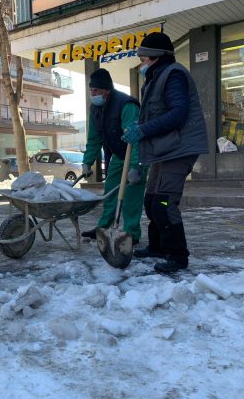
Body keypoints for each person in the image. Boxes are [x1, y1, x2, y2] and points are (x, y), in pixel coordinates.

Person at [122, 32, 208, 274]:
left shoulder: (174, 74)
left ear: (157, 56)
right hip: (165, 149)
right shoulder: (156, 77)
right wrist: (137, 128)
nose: (142, 62)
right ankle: (158, 246)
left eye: (144, 58)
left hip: (179, 149)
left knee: (164, 202)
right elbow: (155, 114)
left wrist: (143, 130)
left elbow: (177, 113)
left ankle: (177, 255)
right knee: (151, 201)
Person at [80, 68, 147, 245]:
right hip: (119, 155)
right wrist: (87, 162)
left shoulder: (126, 104)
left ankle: (131, 234)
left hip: (135, 153)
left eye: (96, 91)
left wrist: (135, 167)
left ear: (106, 90)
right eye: (91, 91)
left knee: (131, 195)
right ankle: (102, 229)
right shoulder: (95, 108)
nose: (92, 94)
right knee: (110, 192)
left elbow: (136, 138)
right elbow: (93, 139)